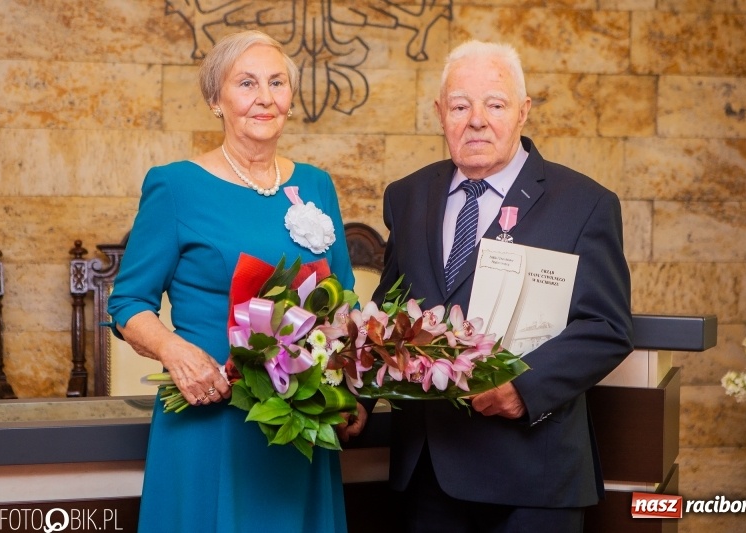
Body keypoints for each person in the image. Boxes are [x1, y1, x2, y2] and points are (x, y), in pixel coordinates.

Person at [369, 40, 634, 532]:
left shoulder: (584, 204)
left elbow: (607, 326)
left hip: (532, 478)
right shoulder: (407, 195)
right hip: (427, 475)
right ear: (440, 114)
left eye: (494, 104)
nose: (476, 120)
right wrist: (357, 403)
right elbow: (388, 309)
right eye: (459, 106)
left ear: (522, 112)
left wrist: (524, 388)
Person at [107, 30, 365, 532]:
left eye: (277, 83)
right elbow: (128, 303)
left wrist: (350, 387)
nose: (265, 97)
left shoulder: (316, 184)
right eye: (247, 83)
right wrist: (176, 352)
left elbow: (344, 304)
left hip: (302, 423)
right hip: (211, 416)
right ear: (215, 100)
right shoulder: (175, 185)